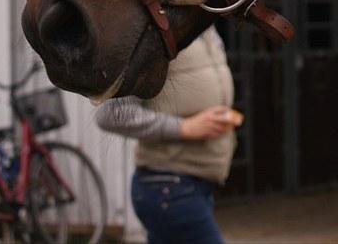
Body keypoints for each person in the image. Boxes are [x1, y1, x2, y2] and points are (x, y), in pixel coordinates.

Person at [96, 25, 241, 244]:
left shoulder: (208, 29)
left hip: (193, 186)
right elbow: (111, 114)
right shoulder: (156, 37)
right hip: (170, 188)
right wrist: (184, 127)